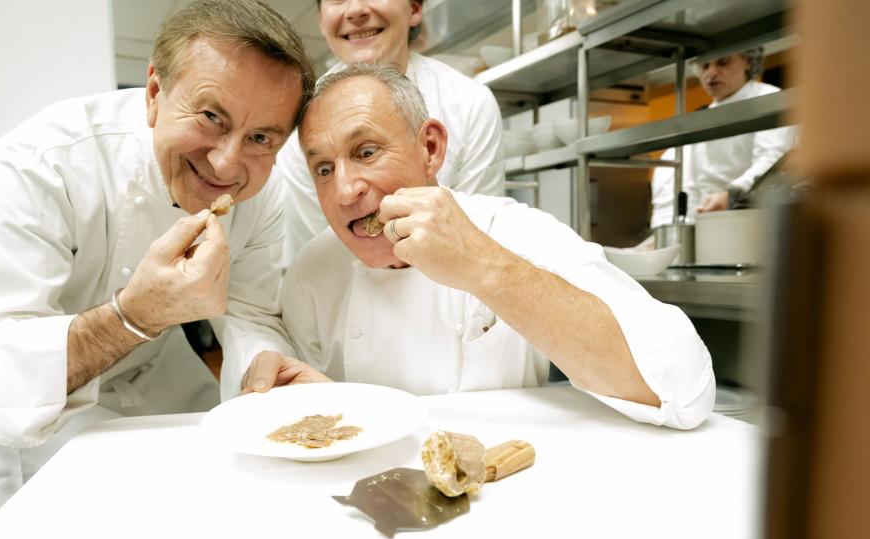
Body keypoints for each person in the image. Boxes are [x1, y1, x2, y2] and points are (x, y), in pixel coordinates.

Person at [0, 0, 316, 539]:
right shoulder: (43, 164)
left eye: (261, 137)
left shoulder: (264, 194)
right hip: (12, 436)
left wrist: (261, 369)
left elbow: (250, 311)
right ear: (155, 92)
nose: (229, 164)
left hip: (150, 414)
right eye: (211, 116)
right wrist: (132, 317)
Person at [264, 63, 715, 430]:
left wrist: (483, 266)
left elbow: (684, 387)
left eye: (365, 152)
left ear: (431, 148)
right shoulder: (311, 272)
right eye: (323, 169)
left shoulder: (512, 230)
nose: (344, 191)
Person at [276, 0, 505, 264]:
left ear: (415, 8)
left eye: (368, 152)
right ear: (321, 21)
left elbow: (477, 236)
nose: (355, 10)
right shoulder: (300, 129)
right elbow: (319, 257)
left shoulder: (469, 103)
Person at [651, 48, 796, 226]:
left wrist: (732, 194)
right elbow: (694, 181)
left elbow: (772, 160)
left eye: (723, 62)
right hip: (711, 219)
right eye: (704, 66)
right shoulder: (703, 117)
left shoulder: (769, 99)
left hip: (758, 218)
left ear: (748, 61)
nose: (711, 72)